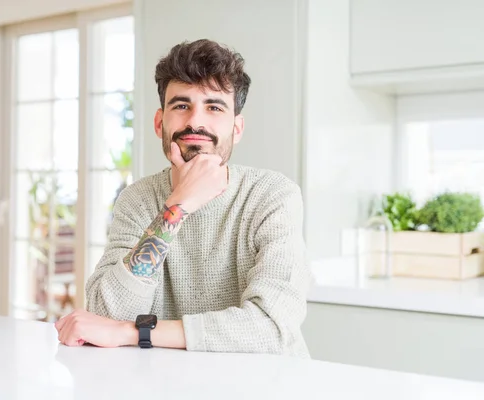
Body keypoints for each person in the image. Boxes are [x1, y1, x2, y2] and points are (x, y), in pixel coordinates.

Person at [55, 39, 313, 356]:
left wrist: (135, 332)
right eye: (181, 105)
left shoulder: (273, 195)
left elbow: (272, 327)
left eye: (214, 107)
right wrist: (178, 206)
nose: (195, 121)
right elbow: (105, 313)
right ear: (159, 122)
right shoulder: (137, 199)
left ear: (237, 128)